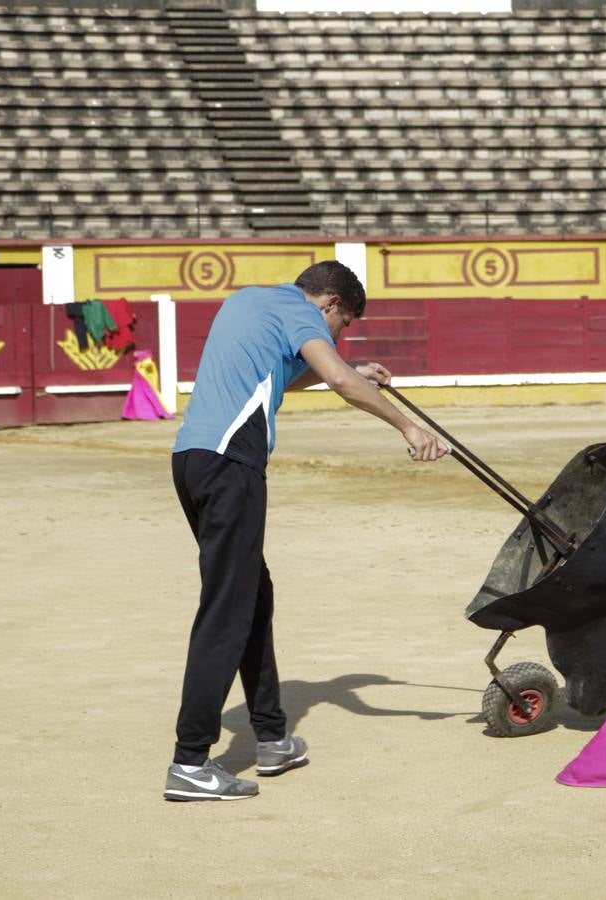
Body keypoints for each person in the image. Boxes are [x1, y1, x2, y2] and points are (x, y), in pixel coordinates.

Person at [164, 260, 446, 802]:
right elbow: (336, 378)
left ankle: (271, 737)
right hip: (232, 465)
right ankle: (189, 762)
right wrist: (409, 425)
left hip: (192, 459)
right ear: (331, 304)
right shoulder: (303, 312)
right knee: (226, 609)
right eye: (341, 329)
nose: (336, 338)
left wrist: (353, 368)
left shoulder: (251, 298)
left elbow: (291, 374)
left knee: (252, 597)